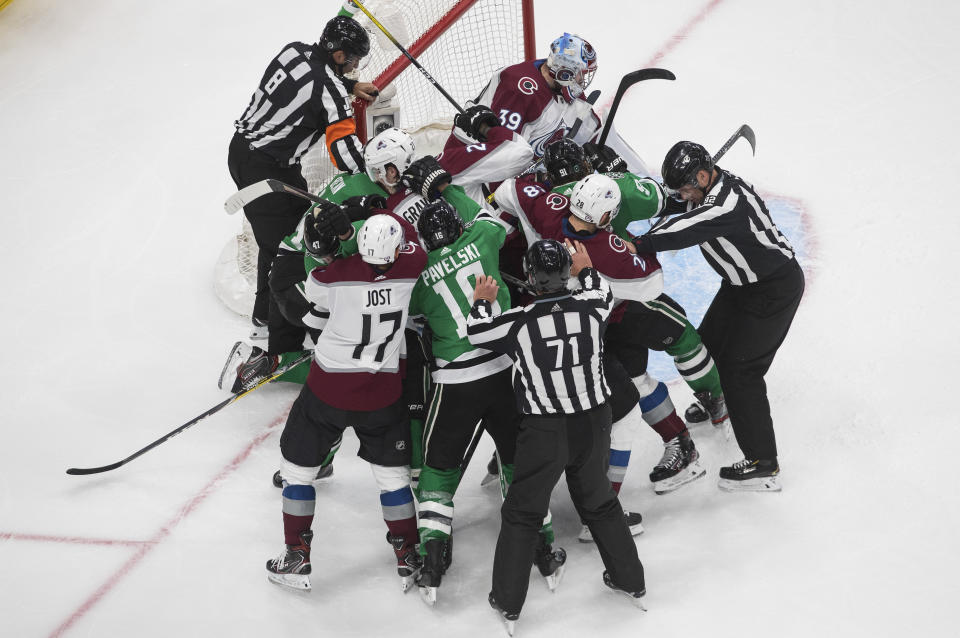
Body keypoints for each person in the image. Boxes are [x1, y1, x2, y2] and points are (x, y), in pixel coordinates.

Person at [494, 164, 705, 511]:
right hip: (591, 330)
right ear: (606, 214)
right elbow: (652, 284)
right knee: (620, 397)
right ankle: (603, 503)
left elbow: (510, 189)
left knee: (622, 389)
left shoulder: (550, 209)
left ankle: (674, 446)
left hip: (569, 331)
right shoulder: (607, 248)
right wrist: (635, 250)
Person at [467, 239, 646, 632]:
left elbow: (477, 332)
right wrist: (585, 268)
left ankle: (508, 602)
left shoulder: (519, 320)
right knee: (600, 504)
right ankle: (631, 581)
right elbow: (601, 289)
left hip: (546, 429)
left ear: (530, 278)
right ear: (566, 273)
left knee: (521, 514)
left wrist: (483, 299)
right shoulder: (593, 307)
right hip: (596, 421)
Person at [408, 200, 560, 606]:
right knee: (519, 465)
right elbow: (492, 217)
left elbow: (409, 316)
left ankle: (434, 558)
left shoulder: (419, 279)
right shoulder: (483, 237)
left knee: (437, 472)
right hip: (506, 371)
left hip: (456, 381)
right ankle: (542, 546)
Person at [264, 213, 428, 592]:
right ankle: (407, 554)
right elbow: (409, 237)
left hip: (328, 391)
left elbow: (316, 280)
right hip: (383, 393)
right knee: (392, 480)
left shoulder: (330, 277)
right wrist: (358, 223)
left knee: (298, 472)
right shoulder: (411, 266)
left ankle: (296, 556)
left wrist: (341, 235)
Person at [629, 140, 805, 491]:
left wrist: (636, 243)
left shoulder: (725, 205)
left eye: (687, 187)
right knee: (702, 346)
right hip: (740, 285)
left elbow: (683, 230)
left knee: (742, 372)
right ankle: (718, 399)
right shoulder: (709, 188)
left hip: (772, 289)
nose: (683, 195)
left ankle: (763, 465)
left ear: (705, 175)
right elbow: (685, 203)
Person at [546, 138, 729, 428]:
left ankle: (676, 440)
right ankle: (717, 400)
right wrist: (622, 177)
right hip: (617, 299)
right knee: (681, 333)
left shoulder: (537, 202)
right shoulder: (610, 224)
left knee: (632, 376)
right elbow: (667, 199)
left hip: (564, 319)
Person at [227, 15, 378, 350]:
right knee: (285, 249)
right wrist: (383, 170)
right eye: (352, 60)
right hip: (266, 171)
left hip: (242, 151)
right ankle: (271, 331)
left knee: (293, 235)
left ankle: (268, 316)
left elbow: (309, 82)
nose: (354, 66)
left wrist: (349, 87)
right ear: (339, 55)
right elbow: (346, 157)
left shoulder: (293, 51)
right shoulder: (330, 92)